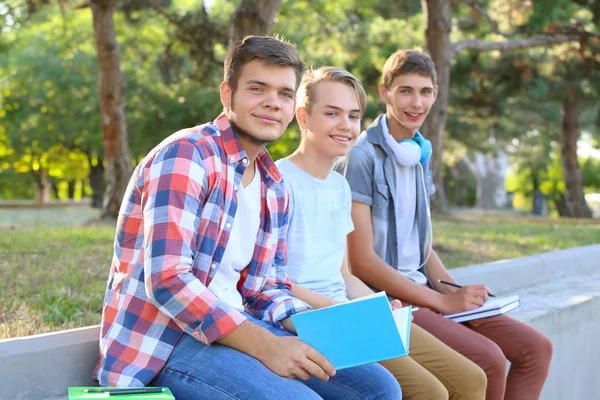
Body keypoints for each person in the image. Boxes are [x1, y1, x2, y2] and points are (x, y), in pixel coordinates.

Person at [94, 36, 401, 400]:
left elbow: (264, 288)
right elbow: (168, 281)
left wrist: (327, 325)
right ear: (228, 95)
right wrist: (267, 346)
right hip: (166, 341)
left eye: (285, 94)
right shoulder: (187, 155)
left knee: (379, 388)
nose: (273, 103)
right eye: (258, 89)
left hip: (238, 323)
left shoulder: (273, 185)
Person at [339, 49, 553, 400]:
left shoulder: (420, 155)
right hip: (390, 300)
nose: (416, 102)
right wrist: (441, 303)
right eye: (405, 91)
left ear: (436, 95)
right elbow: (361, 261)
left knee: (537, 349)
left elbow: (421, 247)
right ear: (384, 92)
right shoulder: (361, 157)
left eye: (425, 92)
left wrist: (454, 291)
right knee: (490, 360)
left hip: (427, 292)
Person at [277, 66, 487, 400]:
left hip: (350, 311)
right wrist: (346, 310)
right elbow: (274, 282)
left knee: (471, 379)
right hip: (310, 321)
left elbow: (343, 273)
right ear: (303, 117)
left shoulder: (339, 186)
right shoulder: (278, 182)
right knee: (429, 392)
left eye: (353, 115)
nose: (345, 125)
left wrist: (377, 305)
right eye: (332, 113)